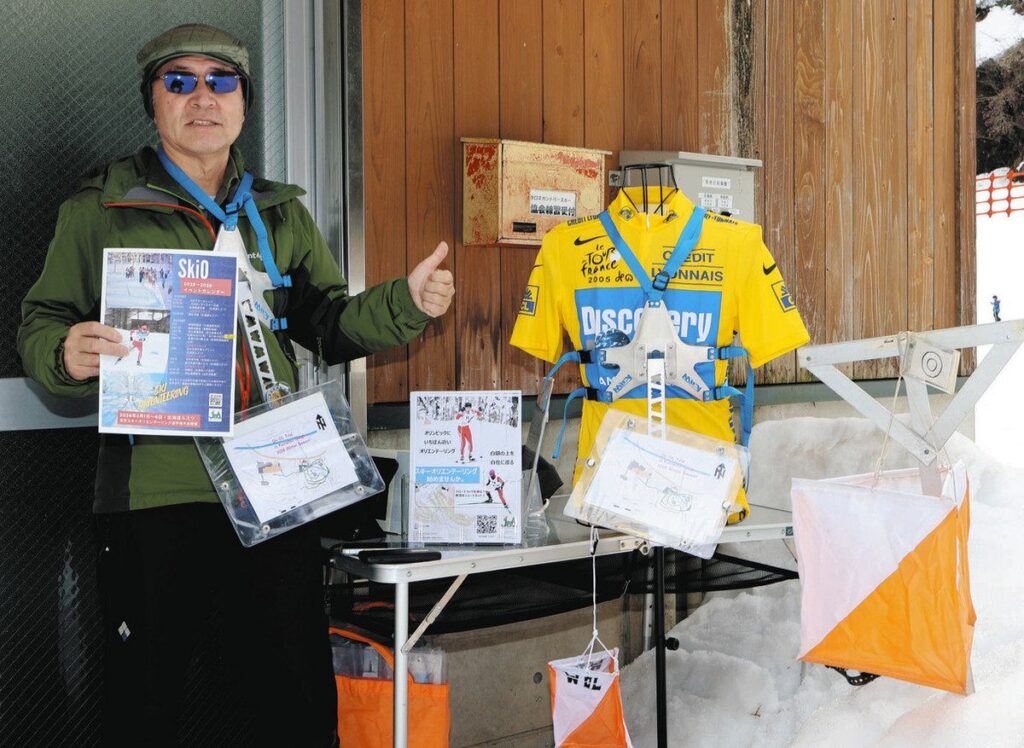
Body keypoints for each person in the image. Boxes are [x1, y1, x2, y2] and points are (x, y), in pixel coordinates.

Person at [17, 23, 454, 747]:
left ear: (244, 103)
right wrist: (63, 352)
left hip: (275, 490)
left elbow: (328, 324)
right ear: (152, 101)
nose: (202, 98)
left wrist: (404, 304)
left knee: (291, 701)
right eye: (179, 81)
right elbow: (42, 321)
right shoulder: (100, 208)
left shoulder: (277, 211)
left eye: (220, 81)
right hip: (155, 495)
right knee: (147, 705)